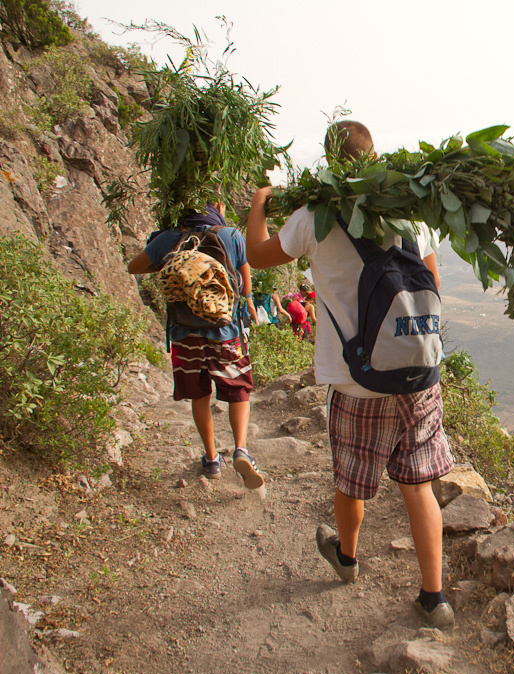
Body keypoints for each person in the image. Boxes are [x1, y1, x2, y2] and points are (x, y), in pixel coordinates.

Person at [245, 120, 455, 628]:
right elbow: (432, 282)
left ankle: (347, 556)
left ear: (328, 164)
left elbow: (256, 255)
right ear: (375, 157)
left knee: (353, 479)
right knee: (419, 487)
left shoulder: (312, 217)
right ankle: (434, 598)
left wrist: (259, 203)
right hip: (419, 374)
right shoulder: (408, 210)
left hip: (357, 380)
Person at [128, 201, 265, 491]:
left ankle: (212, 459)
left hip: (184, 334)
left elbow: (133, 267)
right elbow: (244, 287)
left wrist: (165, 257)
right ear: (216, 207)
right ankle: (241, 450)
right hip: (225, 331)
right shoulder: (230, 235)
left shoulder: (170, 237)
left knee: (199, 394)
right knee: (238, 391)